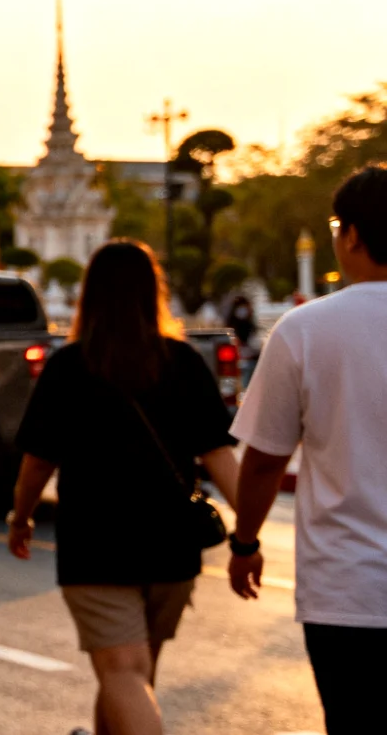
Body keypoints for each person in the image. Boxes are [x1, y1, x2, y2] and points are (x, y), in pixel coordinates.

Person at [7, 240, 239, 735]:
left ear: (90, 296)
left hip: (97, 548)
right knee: (134, 675)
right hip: (172, 549)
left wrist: (21, 517)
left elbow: (37, 462)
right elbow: (220, 456)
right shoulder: (183, 362)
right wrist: (249, 536)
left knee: (123, 673)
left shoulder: (70, 366)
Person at [226, 163, 387, 735]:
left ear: (351, 235)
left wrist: (244, 543)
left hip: (348, 590)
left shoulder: (305, 330)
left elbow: (265, 458)